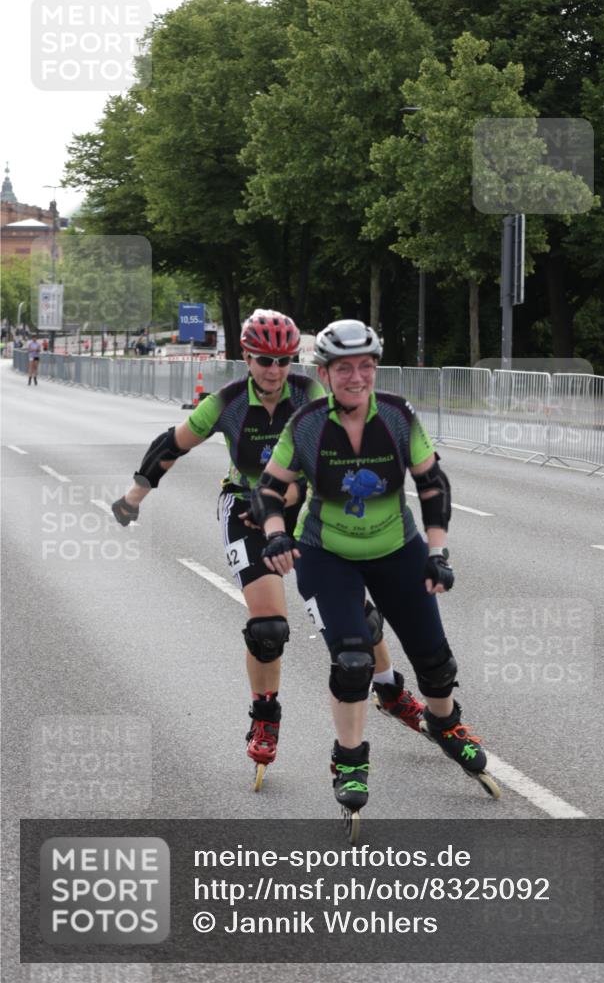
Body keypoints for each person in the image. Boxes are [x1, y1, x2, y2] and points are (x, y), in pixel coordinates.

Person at [109, 310, 412, 786]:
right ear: (247, 357)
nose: (275, 370)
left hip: (304, 505)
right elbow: (172, 445)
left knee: (358, 616)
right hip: (245, 507)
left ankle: (389, 689)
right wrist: (133, 498)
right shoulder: (227, 404)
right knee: (269, 628)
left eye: (285, 360)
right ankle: (265, 715)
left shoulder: (309, 395)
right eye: (265, 360)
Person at [252, 319, 499, 817]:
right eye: (344, 368)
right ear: (324, 373)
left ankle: (445, 724)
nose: (357, 377)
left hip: (397, 547)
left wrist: (437, 552)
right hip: (327, 554)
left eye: (366, 366)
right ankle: (349, 759)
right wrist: (277, 532)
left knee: (436, 663)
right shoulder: (305, 425)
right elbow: (270, 490)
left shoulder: (398, 416)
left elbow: (433, 484)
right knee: (352, 661)